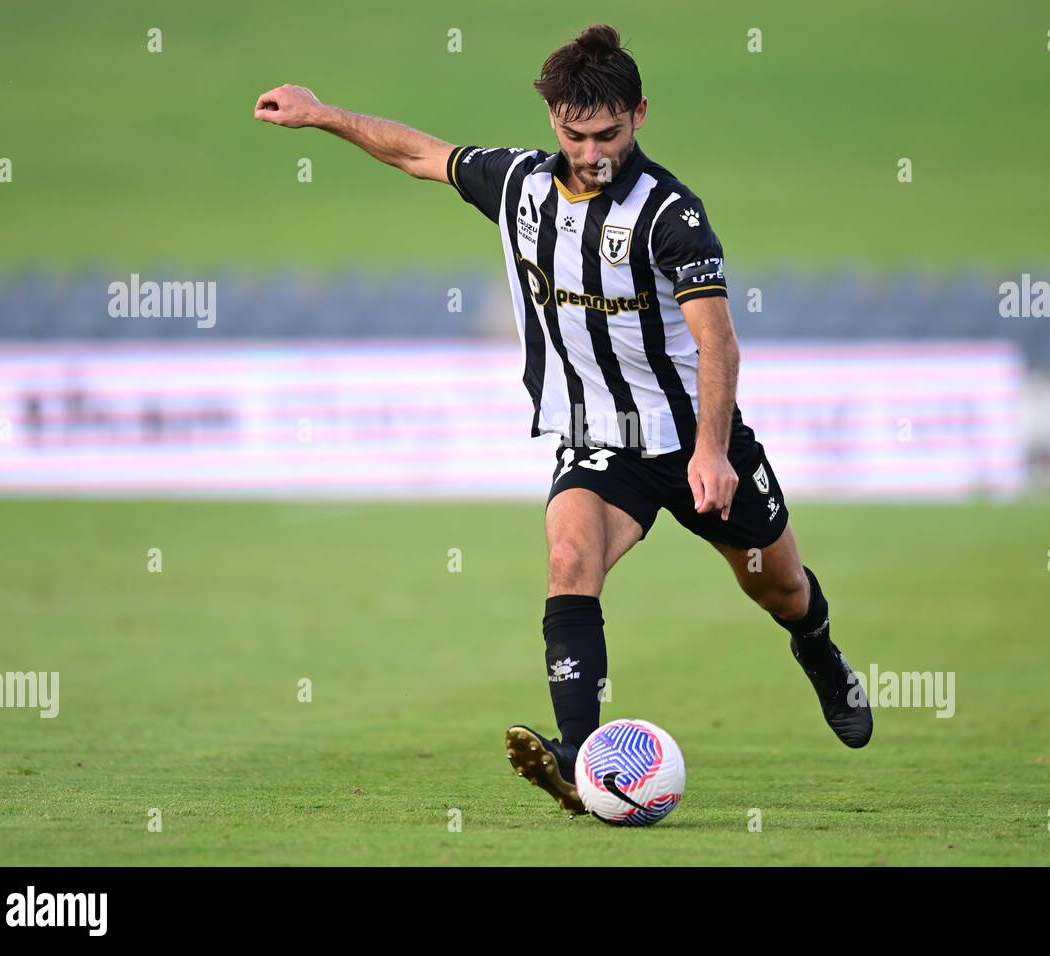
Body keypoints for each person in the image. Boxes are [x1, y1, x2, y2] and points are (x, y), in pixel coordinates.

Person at [253, 23, 871, 817]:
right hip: (598, 441)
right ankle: (581, 760)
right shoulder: (520, 188)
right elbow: (420, 153)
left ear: (640, 113)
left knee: (781, 590)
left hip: (692, 442)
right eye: (576, 135)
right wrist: (320, 112)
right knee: (568, 560)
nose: (593, 152)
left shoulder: (670, 214)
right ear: (554, 121)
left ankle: (821, 656)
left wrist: (713, 450)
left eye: (608, 133)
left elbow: (717, 339)